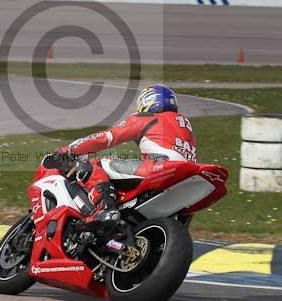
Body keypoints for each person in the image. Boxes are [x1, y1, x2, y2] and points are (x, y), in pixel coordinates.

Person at [54, 84, 198, 226]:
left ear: (148, 101)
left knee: (95, 164)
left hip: (159, 166)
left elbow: (107, 137)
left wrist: (71, 149)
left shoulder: (147, 116)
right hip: (187, 172)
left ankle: (104, 210)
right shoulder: (184, 124)